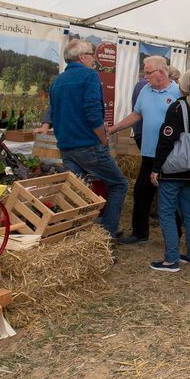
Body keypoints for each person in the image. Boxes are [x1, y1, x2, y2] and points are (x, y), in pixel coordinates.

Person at [49, 40, 128, 239]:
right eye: (92, 54)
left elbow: (54, 113)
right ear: (82, 57)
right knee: (119, 184)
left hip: (66, 147)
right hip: (88, 145)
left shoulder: (57, 81)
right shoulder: (89, 75)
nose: (94, 59)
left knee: (79, 193)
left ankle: (80, 235)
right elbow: (92, 111)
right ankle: (106, 234)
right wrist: (102, 138)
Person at [108, 55, 180, 243]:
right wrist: (114, 128)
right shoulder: (145, 91)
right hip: (148, 154)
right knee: (141, 193)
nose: (144, 76)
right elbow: (136, 114)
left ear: (161, 72)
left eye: (148, 72)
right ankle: (139, 234)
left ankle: (175, 236)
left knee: (171, 197)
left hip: (171, 156)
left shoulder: (178, 92)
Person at [148, 69, 190, 272]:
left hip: (174, 171)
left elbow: (166, 140)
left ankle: (171, 260)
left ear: (181, 87)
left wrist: (156, 168)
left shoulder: (176, 108)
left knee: (166, 212)